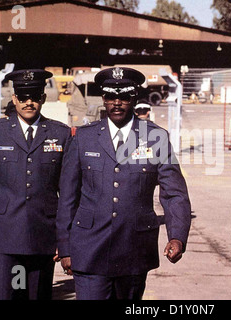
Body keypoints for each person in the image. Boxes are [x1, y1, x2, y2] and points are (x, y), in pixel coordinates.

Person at [56, 67, 191, 300]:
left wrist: (177, 235)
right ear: (103, 98)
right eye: (110, 96)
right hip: (90, 249)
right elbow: (68, 197)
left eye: (124, 96)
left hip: (134, 250)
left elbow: (174, 193)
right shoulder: (83, 138)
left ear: (134, 98)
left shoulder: (155, 138)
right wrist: (65, 246)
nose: (116, 103)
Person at [0, 69, 71, 300]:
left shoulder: (60, 134)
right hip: (7, 236)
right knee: (8, 294)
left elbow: (67, 193)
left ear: (43, 99)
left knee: (37, 295)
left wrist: (63, 240)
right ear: (14, 98)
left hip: (43, 236)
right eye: (23, 97)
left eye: (34, 96)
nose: (28, 102)